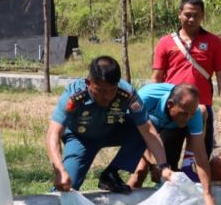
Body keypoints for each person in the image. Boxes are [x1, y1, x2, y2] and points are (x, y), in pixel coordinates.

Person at [47, 55, 174, 194]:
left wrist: (164, 166)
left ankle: (111, 174)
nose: (107, 97)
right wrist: (59, 171)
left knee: (152, 122)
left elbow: (148, 130)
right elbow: (53, 132)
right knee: (66, 186)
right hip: (80, 138)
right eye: (100, 91)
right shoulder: (74, 94)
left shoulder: (127, 93)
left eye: (111, 90)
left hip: (110, 131)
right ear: (89, 82)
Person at [151, 0, 221, 157]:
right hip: (173, 108)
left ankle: (198, 182)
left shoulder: (213, 42)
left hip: (202, 109)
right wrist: (154, 108)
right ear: (180, 14)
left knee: (200, 157)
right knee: (167, 158)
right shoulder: (165, 42)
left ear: (203, 16)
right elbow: (157, 77)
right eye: (187, 14)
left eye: (196, 15)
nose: (191, 19)